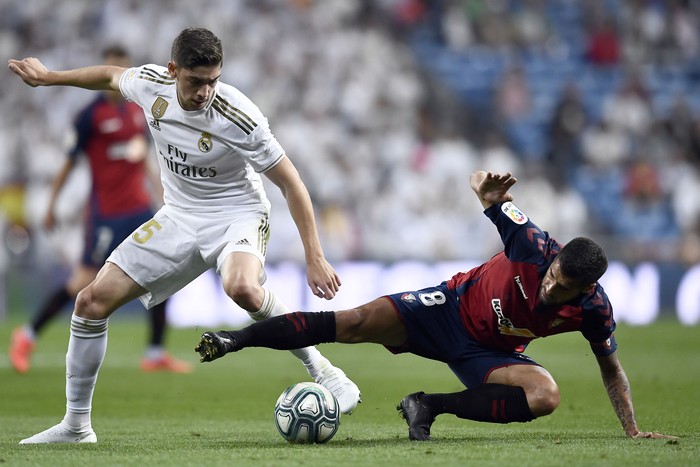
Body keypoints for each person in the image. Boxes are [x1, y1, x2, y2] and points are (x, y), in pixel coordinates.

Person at [8, 27, 360, 444]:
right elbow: (108, 76)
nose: (205, 92)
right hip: (180, 216)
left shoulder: (239, 115)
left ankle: (324, 371)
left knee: (242, 287)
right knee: (90, 301)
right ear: (174, 70)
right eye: (196, 82)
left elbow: (291, 183)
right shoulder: (150, 84)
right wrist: (50, 77)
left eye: (213, 81)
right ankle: (75, 427)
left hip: (237, 214)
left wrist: (314, 255)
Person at [196, 170, 676, 442]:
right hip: (446, 308)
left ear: (587, 287)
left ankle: (426, 405)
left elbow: (611, 368)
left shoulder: (595, 309)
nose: (552, 288)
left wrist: (632, 431)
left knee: (545, 394)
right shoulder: (531, 242)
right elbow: (480, 186)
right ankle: (235, 339)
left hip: (488, 354)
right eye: (553, 276)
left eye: (564, 287)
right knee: (354, 321)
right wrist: (485, 193)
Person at [8, 45, 191, 375]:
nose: (115, 80)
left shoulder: (139, 110)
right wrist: (52, 204)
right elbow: (68, 163)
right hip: (106, 213)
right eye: (110, 72)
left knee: (162, 275)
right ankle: (26, 334)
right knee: (82, 282)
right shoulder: (89, 116)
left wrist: (159, 189)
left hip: (140, 209)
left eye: (121, 72)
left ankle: (154, 353)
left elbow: (144, 156)